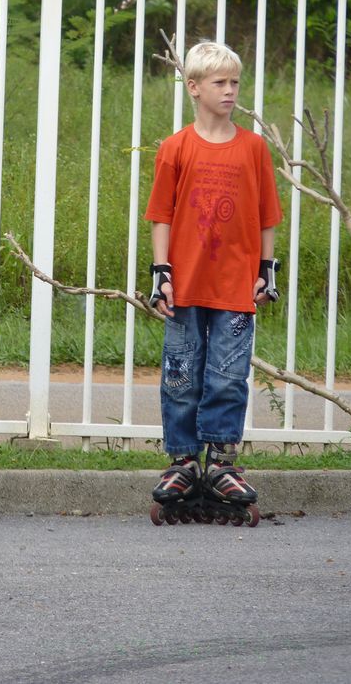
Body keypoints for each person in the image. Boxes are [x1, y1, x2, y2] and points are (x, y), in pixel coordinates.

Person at [144, 41, 283, 526]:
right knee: (181, 377)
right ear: (194, 87)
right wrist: (161, 274)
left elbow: (267, 216)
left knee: (227, 378)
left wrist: (267, 270)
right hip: (184, 286)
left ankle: (222, 463)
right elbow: (160, 216)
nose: (229, 91)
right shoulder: (175, 147)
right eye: (220, 83)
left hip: (236, 288)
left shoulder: (254, 148)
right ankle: (183, 461)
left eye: (235, 83)